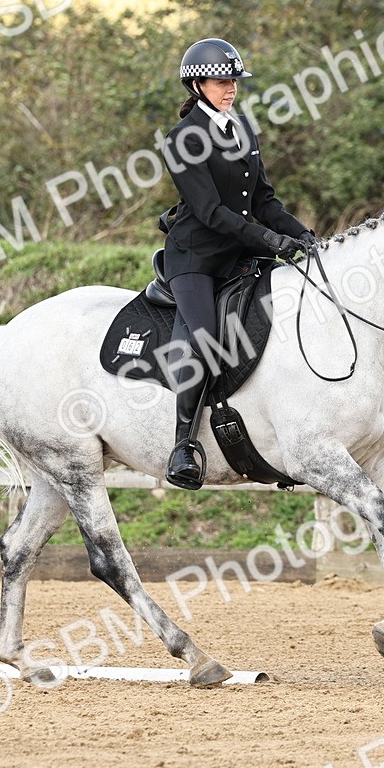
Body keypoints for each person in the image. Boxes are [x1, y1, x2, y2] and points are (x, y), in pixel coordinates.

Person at [159, 37, 317, 490]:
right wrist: (270, 239)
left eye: (234, 80)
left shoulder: (241, 126)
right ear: (197, 84)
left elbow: (263, 199)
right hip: (197, 258)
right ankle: (184, 443)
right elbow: (211, 212)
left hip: (243, 252)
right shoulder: (182, 139)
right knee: (205, 339)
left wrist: (300, 233)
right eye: (220, 80)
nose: (230, 88)